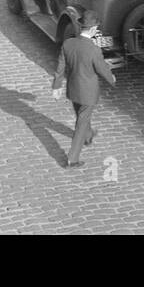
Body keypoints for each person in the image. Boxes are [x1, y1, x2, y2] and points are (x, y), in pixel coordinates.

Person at [51, 9, 117, 168]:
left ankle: (88, 137)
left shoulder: (68, 43)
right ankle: (72, 158)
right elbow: (102, 69)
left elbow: (60, 67)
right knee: (81, 122)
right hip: (88, 92)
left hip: (73, 89)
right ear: (94, 29)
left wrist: (56, 86)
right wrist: (112, 79)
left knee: (82, 116)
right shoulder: (94, 49)